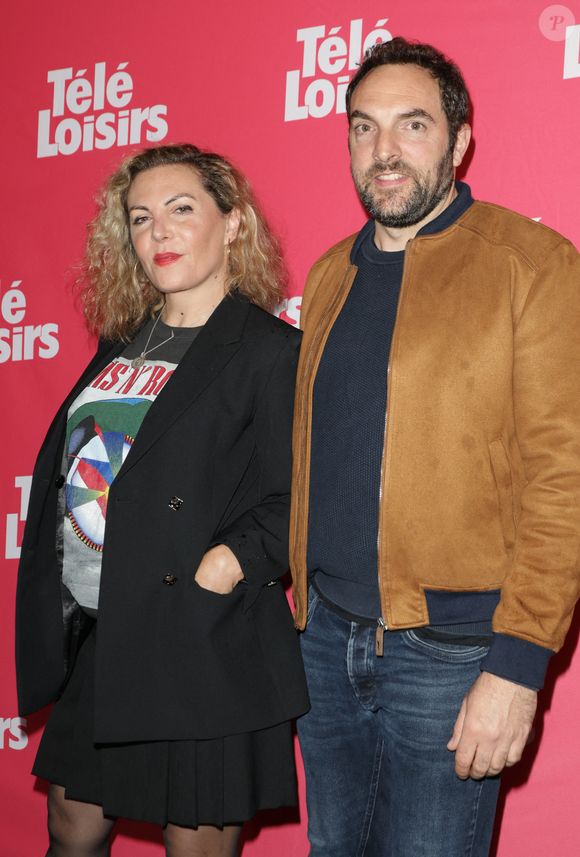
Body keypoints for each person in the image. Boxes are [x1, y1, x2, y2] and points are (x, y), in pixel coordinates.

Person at [290, 37, 580, 857]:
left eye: (412, 125)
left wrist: (518, 666)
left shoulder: (532, 264)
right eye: (364, 127)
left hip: (454, 653)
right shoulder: (326, 278)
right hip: (324, 646)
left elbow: (566, 480)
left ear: (458, 142)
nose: (384, 151)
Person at [16, 143, 309, 857]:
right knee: (69, 826)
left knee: (196, 843)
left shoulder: (270, 350)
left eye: (182, 210)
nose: (160, 233)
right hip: (106, 632)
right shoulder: (122, 342)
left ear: (233, 222)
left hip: (201, 638)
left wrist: (232, 561)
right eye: (141, 218)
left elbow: (299, 492)